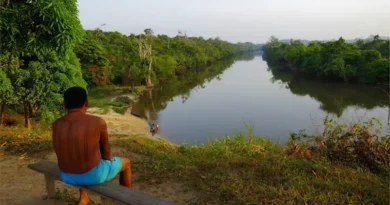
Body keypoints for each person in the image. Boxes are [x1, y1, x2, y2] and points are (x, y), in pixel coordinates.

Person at [52, 87, 132, 205]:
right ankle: (127, 199)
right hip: (92, 176)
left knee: (81, 158)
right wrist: (108, 160)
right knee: (126, 163)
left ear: (64, 104)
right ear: (86, 103)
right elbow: (106, 154)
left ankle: (84, 198)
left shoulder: (56, 124)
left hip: (66, 175)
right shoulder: (97, 122)